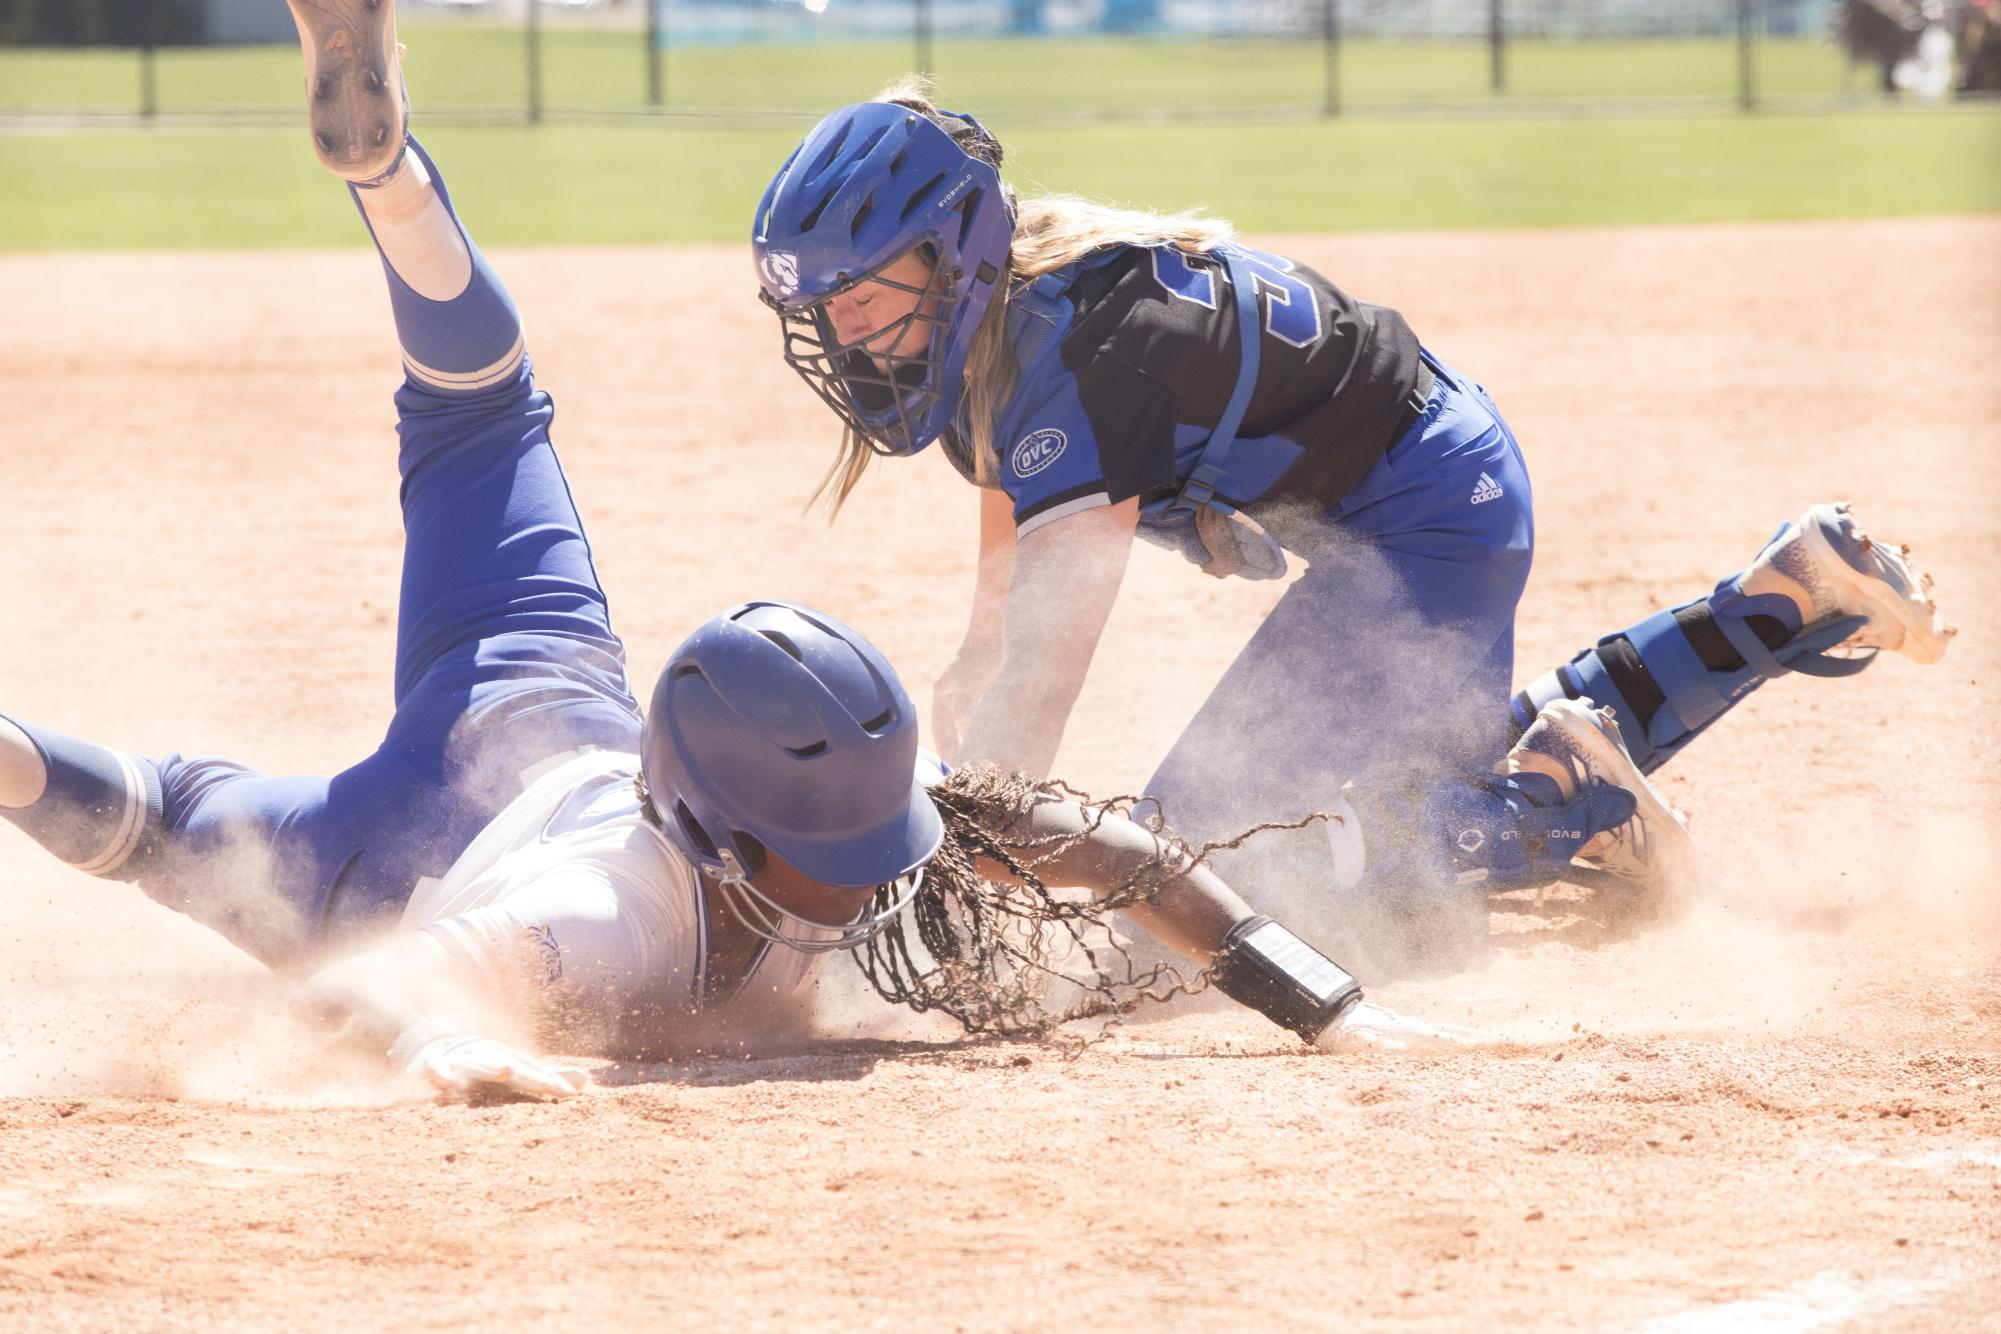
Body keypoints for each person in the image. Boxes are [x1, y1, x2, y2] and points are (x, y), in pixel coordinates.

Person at [0, 1, 1495, 1104]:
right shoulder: (605, 915)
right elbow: (398, 977)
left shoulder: (830, 798)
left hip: (551, 698)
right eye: (836, 860)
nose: (870, 880)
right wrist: (455, 1044)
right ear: (726, 837)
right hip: (395, 857)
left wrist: (1325, 1007)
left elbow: (1113, 849)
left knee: (484, 415)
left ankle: (394, 179)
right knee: (161, 820)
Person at [750, 85, 1954, 941]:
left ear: (950, 250)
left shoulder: (1079, 357)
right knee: (1358, 778)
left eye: (863, 291)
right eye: (825, 308)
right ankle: (1785, 596)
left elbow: (1044, 681)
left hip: (1426, 517)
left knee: (1219, 882)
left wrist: (952, 875)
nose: (846, 330)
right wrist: (955, 758)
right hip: (1417, 498)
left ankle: (1559, 804)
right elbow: (996, 639)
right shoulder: (1006, 338)